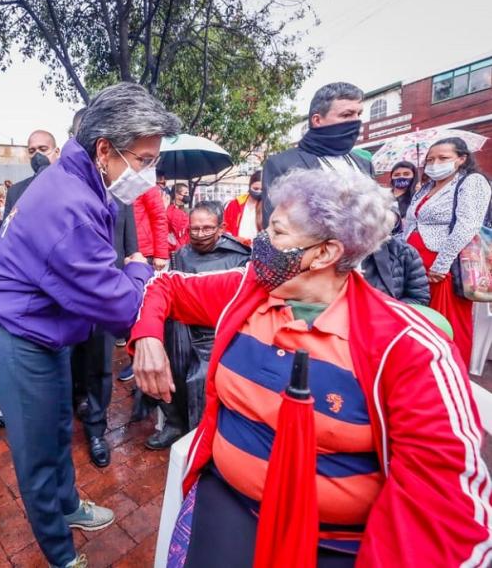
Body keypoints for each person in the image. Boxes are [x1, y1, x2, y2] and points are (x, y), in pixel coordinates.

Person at [131, 168, 491, 567]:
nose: (260, 242)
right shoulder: (248, 290)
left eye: (278, 233)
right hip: (232, 501)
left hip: (336, 538)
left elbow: (446, 505)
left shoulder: (407, 346)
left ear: (325, 253)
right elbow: (165, 286)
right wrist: (148, 337)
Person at [0, 82, 180, 568]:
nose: (148, 173)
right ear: (105, 149)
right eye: (144, 159)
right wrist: (135, 266)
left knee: (54, 432)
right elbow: (117, 307)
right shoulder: (68, 204)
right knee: (34, 453)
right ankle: (60, 552)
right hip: (20, 338)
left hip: (46, 331)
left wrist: (125, 268)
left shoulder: (82, 177)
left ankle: (68, 504)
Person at [149, 201, 250, 450]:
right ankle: (174, 423)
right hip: (184, 328)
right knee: (166, 363)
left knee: (203, 377)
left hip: (217, 330)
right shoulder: (182, 254)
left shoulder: (239, 256)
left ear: (221, 228)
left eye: (207, 228)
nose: (200, 234)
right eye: (194, 229)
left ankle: (203, 435)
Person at [404, 137, 492, 367]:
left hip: (444, 265)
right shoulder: (426, 186)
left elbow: (467, 226)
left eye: (443, 158)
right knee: (419, 320)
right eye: (430, 159)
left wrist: (441, 265)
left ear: (462, 159)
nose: (435, 164)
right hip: (416, 262)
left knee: (446, 323)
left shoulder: (471, 182)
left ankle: (451, 372)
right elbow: (411, 223)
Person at [71, 194, 139, 466]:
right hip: (69, 298)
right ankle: (77, 403)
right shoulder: (69, 195)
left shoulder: (123, 199)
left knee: (101, 365)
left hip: (106, 297)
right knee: (71, 362)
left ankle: (96, 430)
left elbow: (132, 251)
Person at [261, 82, 375, 227]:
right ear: (317, 120)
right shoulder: (282, 164)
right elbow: (275, 230)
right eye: (347, 115)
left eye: (359, 114)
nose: (356, 121)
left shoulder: (364, 164)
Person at [360, 210, 430, 305]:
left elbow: (419, 299)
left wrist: (385, 308)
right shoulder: (340, 253)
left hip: (388, 314)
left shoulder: (404, 252)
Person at [2, 129, 60, 220]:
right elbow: (7, 230)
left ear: (57, 152)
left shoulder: (72, 185)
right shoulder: (15, 192)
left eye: (43, 149)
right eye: (32, 151)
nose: (37, 155)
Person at [224, 170, 263, 245]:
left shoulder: (268, 206)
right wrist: (235, 239)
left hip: (260, 252)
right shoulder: (234, 204)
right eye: (255, 188)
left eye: (262, 189)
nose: (258, 192)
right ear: (249, 186)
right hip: (237, 249)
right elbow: (225, 228)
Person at [166, 183, 190, 253]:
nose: (187, 196)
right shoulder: (174, 212)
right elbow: (180, 233)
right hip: (179, 249)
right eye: (185, 193)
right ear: (176, 195)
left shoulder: (179, 210)